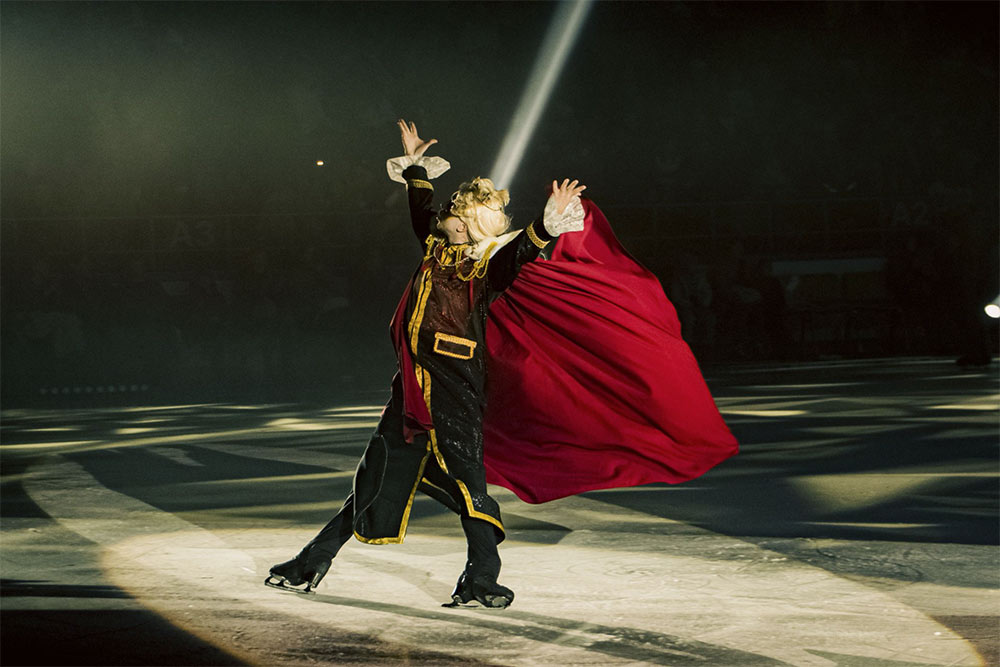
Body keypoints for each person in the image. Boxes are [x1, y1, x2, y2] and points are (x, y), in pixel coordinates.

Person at [266, 120, 587, 608]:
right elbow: (420, 208)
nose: (446, 213)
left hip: (455, 386)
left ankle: (482, 576)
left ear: (471, 224)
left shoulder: (484, 266)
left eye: (456, 211)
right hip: (411, 389)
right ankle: (311, 561)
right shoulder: (436, 247)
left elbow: (520, 253)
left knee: (467, 481)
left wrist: (546, 223)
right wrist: (415, 163)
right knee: (375, 478)